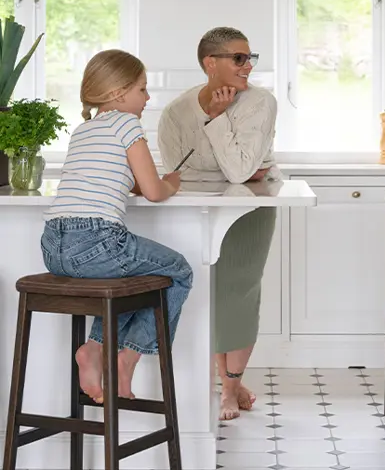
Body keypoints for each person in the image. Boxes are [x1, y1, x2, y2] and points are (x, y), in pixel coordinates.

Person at [40, 49, 193, 403]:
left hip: (53, 248)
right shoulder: (126, 123)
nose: (147, 97)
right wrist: (172, 182)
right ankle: (127, 358)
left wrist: (142, 181)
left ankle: (94, 350)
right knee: (179, 271)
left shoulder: (84, 130)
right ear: (118, 94)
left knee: (129, 278)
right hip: (97, 241)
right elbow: (154, 192)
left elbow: (115, 179)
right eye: (142, 89)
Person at [158, 27, 279, 421]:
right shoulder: (176, 111)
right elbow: (177, 172)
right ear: (211, 63)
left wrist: (217, 120)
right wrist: (233, 165)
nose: (248, 66)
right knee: (209, 295)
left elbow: (240, 171)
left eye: (250, 58)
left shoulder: (261, 102)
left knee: (240, 296)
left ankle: (228, 389)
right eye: (239, 58)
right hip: (198, 211)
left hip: (249, 211)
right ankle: (231, 380)